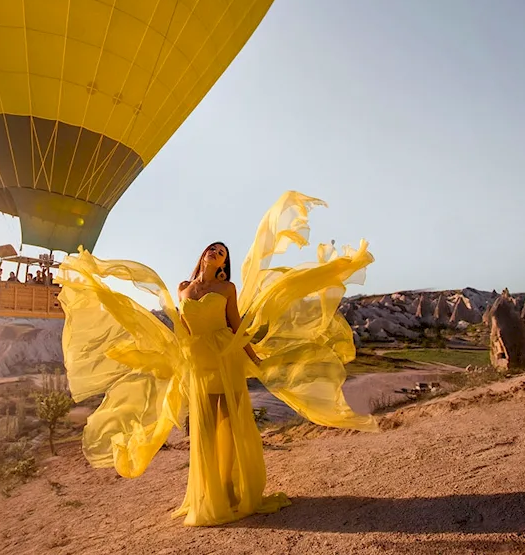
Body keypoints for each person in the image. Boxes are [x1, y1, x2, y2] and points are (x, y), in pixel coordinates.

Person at [56, 191, 377, 527]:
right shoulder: (182, 288)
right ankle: (212, 491)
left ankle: (235, 489)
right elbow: (181, 328)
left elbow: (236, 327)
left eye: (222, 252)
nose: (216, 252)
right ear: (203, 255)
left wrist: (256, 358)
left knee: (231, 423)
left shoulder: (228, 290)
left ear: (224, 263)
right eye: (213, 248)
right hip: (197, 361)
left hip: (224, 358)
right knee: (205, 429)